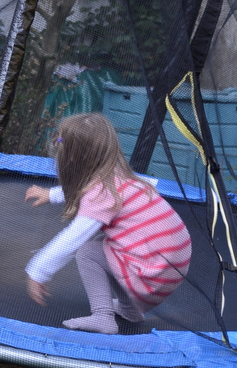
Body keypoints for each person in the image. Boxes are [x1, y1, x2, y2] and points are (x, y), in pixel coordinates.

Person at [24, 112, 192, 333]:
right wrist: (52, 194)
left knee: (88, 252)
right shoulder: (117, 176)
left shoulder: (101, 193)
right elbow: (85, 189)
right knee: (106, 242)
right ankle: (130, 310)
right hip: (173, 266)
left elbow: (71, 238)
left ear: (70, 158)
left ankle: (103, 317)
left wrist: (37, 271)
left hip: (154, 275)